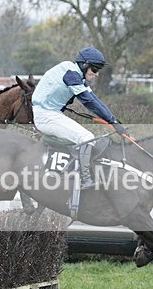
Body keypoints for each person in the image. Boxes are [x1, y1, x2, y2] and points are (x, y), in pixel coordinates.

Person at [31, 46, 128, 189]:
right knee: (86, 138)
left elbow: (94, 99)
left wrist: (115, 121)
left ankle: (70, 170)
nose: (97, 74)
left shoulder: (76, 74)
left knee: (85, 137)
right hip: (46, 115)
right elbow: (89, 102)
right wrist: (112, 121)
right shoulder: (71, 75)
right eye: (95, 69)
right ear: (84, 65)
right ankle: (85, 179)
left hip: (51, 113)